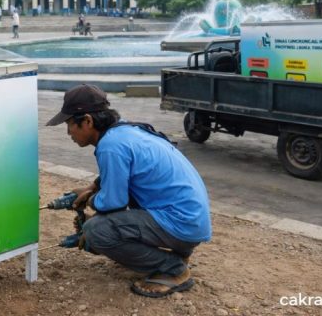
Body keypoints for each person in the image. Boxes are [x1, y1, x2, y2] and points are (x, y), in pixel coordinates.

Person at [46, 84, 212, 298]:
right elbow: (124, 174)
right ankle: (176, 254)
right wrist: (92, 188)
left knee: (97, 231)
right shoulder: (126, 131)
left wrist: (90, 201)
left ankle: (174, 269)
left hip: (181, 225)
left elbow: (115, 202)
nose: (69, 132)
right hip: (191, 220)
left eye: (70, 124)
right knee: (104, 223)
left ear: (87, 120)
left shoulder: (110, 146)